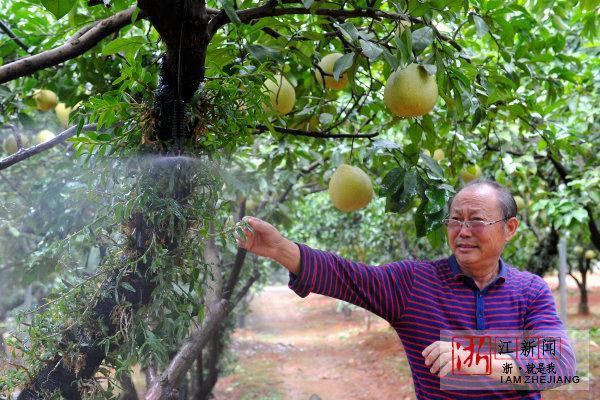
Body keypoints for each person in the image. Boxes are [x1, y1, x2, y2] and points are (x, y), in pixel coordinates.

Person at [235, 179, 577, 399]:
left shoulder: (530, 291)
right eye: (455, 220)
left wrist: (476, 361)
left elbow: (559, 364)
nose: (463, 230)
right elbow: (348, 276)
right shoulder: (415, 284)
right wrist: (282, 249)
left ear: (510, 228)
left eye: (476, 220)